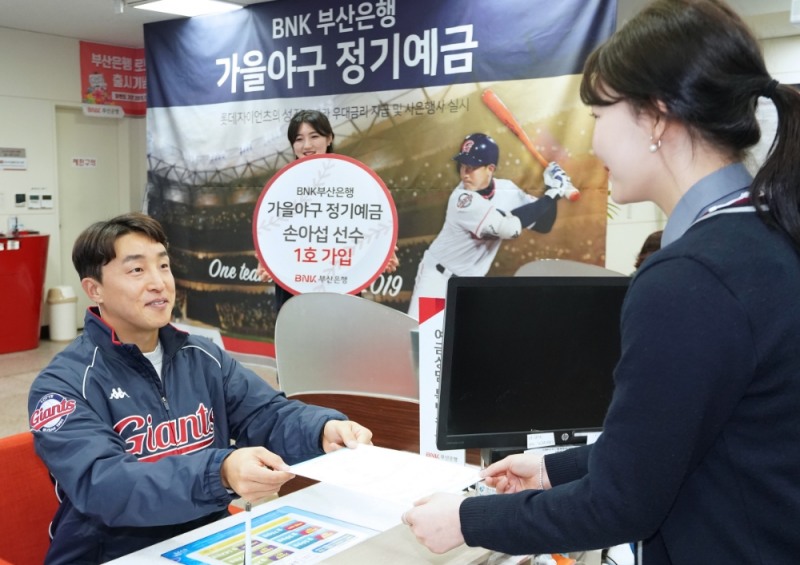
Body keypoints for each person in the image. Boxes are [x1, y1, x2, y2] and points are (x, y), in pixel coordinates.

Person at [402, 1, 800, 563]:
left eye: (598, 117)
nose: (592, 144)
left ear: (657, 116)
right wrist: (551, 467)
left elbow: (620, 503)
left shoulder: (690, 279)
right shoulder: (762, 236)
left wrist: (467, 520)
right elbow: (676, 439)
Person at [28, 212, 373, 564]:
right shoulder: (62, 386)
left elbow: (267, 413)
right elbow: (105, 485)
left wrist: (323, 429)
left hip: (206, 541)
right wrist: (220, 471)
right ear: (94, 289)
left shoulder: (203, 357)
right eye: (137, 270)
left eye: (163, 266)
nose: (158, 282)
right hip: (111, 554)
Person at [406, 132, 579, 320]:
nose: (464, 173)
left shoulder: (508, 190)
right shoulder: (462, 199)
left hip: (469, 286)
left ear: (490, 168)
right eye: (463, 165)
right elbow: (509, 229)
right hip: (437, 280)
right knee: (423, 343)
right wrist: (553, 194)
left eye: (472, 166)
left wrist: (551, 191)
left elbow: (544, 224)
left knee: (460, 345)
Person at [256, 109, 399, 313]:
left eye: (314, 136)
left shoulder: (353, 180)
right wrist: (265, 260)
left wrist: (383, 252)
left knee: (341, 341)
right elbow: (271, 233)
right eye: (299, 139)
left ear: (329, 138)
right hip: (292, 286)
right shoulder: (282, 185)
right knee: (296, 342)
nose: (307, 145)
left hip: (341, 283)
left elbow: (367, 223)